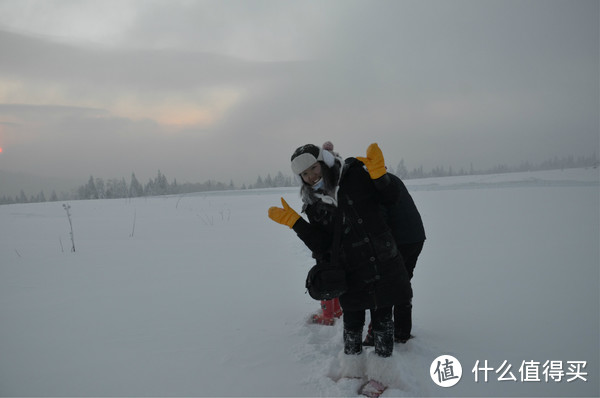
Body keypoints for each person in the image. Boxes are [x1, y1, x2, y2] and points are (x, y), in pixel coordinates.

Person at [268, 142, 412, 361]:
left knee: (383, 318)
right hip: (350, 269)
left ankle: (382, 373)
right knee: (352, 322)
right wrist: (295, 222)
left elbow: (391, 198)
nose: (311, 176)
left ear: (323, 162)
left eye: (314, 168)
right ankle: (352, 368)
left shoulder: (354, 175)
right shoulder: (313, 203)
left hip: (382, 260)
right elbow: (321, 244)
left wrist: (380, 176)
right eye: (304, 174)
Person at [363, 172, 426, 345]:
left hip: (400, 241)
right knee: (403, 284)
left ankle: (376, 335)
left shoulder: (374, 184)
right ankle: (402, 332)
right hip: (416, 238)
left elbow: (379, 218)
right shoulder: (389, 178)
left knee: (383, 287)